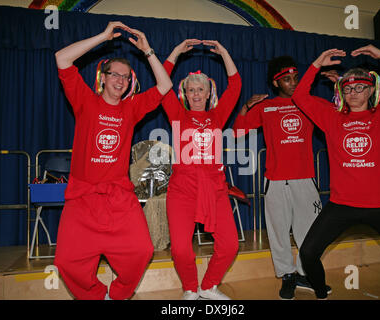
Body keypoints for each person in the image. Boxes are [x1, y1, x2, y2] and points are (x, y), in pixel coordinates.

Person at [292, 44, 380, 300]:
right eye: (348, 88)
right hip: (342, 205)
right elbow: (299, 97)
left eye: (359, 87)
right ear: (341, 92)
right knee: (308, 253)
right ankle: (321, 291)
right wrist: (316, 63)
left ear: (371, 90)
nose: (353, 92)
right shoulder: (332, 118)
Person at [53, 21, 172, 300]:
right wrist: (103, 38)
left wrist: (148, 51)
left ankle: (116, 296)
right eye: (115, 75)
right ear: (103, 77)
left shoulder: (131, 109)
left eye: (126, 77)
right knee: (67, 262)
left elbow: (165, 85)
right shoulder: (85, 101)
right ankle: (95, 296)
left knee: (142, 251)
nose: (120, 80)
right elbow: (62, 58)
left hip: (119, 197)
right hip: (83, 197)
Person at [232, 56, 330, 300]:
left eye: (296, 78)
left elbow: (340, 117)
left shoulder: (309, 102)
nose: (293, 83)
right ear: (276, 84)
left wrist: (339, 88)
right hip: (275, 180)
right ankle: (288, 275)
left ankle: (306, 273)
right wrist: (245, 108)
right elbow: (237, 132)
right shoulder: (266, 107)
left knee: (308, 232)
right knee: (277, 232)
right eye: (287, 79)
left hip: (305, 179)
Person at [161, 39, 242, 300]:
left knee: (229, 246)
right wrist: (175, 52)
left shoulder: (217, 116)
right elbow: (162, 84)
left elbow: (236, 85)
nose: (196, 94)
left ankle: (208, 287)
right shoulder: (177, 115)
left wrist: (225, 53)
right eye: (191, 90)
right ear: (185, 94)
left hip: (214, 188)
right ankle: (189, 288)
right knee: (181, 250)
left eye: (201, 90)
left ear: (208, 94)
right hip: (182, 189)